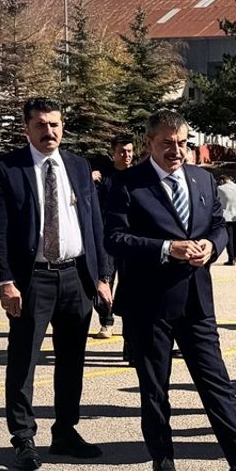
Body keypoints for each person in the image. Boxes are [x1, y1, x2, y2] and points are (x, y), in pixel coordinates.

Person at [104, 109, 236, 471]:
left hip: (197, 303)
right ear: (149, 144)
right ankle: (162, 458)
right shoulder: (127, 184)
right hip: (149, 304)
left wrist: (212, 245)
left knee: (216, 381)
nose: (176, 150)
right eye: (167, 144)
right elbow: (114, 239)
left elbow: (219, 226)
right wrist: (166, 248)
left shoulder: (202, 180)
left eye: (183, 143)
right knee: (155, 385)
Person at [0, 97, 113, 471]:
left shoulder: (76, 165)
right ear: (27, 128)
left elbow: (94, 225)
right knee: (23, 361)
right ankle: (23, 437)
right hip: (31, 280)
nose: (49, 131)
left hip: (75, 277)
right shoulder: (9, 169)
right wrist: (6, 280)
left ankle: (66, 432)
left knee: (72, 360)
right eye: (41, 125)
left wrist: (102, 276)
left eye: (55, 124)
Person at [92, 135, 135, 340]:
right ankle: (106, 322)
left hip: (130, 240)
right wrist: (89, 179)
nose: (126, 155)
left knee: (129, 285)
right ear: (113, 153)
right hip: (106, 238)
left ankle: (130, 329)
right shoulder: (103, 177)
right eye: (122, 151)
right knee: (105, 280)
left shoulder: (139, 176)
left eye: (129, 151)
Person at [216, 174, 236, 265]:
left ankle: (231, 258)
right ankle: (235, 256)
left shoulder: (220, 188)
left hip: (226, 215)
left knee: (229, 238)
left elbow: (216, 200)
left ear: (222, 180)